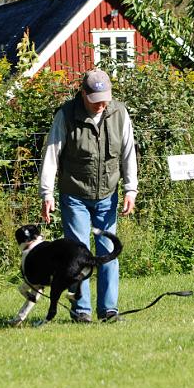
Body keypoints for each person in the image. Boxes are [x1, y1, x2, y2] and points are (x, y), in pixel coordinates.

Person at [39, 68, 138, 323]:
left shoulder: (119, 113)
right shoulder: (66, 115)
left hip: (108, 194)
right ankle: (81, 311)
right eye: (95, 100)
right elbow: (51, 155)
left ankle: (109, 310)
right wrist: (46, 194)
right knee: (78, 255)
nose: (100, 105)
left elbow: (128, 154)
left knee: (108, 251)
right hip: (75, 195)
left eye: (105, 99)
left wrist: (131, 189)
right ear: (83, 93)